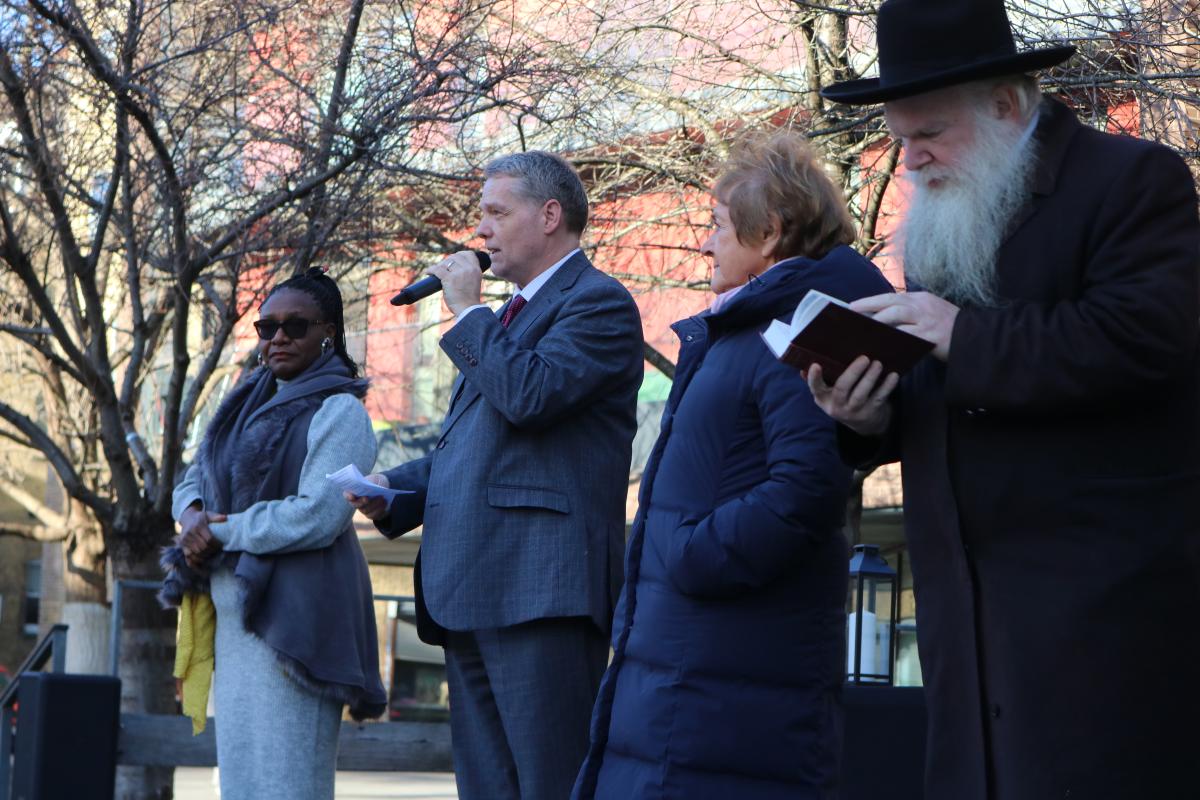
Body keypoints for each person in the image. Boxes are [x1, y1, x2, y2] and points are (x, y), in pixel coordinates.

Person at [814, 1, 1200, 798]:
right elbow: (945, 391)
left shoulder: (1133, 181)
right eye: (900, 139)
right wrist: (866, 416)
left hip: (1100, 626)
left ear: (1004, 103)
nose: (911, 161)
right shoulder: (952, 210)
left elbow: (1146, 338)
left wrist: (962, 335)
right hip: (968, 634)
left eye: (928, 135)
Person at [571, 132, 894, 799]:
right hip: (689, 668)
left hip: (721, 678)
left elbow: (808, 484)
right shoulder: (744, 329)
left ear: (770, 232)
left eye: (717, 225)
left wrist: (691, 555)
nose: (704, 243)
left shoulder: (800, 329)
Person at [347, 151, 644, 800]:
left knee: (550, 785)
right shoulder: (504, 320)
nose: (478, 230)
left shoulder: (597, 303)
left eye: (495, 213)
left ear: (549, 216)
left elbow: (530, 397)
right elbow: (477, 450)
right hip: (473, 583)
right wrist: (393, 493)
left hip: (542, 587)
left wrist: (468, 311)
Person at [160, 268, 386, 800]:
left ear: (328, 333)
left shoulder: (341, 410)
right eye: (267, 327)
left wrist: (221, 532)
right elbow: (194, 477)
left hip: (296, 621)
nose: (278, 337)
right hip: (237, 618)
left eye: (295, 326)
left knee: (287, 786)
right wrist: (192, 516)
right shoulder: (244, 403)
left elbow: (318, 515)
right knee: (242, 786)